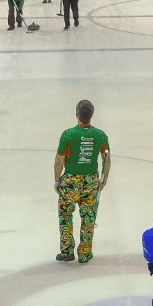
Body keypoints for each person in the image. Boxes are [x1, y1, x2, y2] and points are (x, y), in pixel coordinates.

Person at [53, 98, 111, 264]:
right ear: (91, 115)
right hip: (91, 181)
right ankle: (85, 253)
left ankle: (67, 250)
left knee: (65, 215)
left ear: (76, 114)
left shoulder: (68, 135)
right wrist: (103, 179)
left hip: (71, 181)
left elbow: (59, 159)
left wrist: (57, 180)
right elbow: (106, 159)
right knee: (88, 217)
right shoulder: (101, 136)